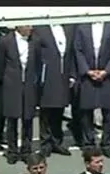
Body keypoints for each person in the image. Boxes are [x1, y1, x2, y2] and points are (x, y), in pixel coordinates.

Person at [74, 22, 110, 158]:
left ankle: (106, 143)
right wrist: (87, 71)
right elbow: (78, 50)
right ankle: (89, 143)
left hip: (106, 75)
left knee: (107, 111)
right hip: (88, 74)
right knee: (86, 111)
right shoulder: (81, 27)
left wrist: (107, 71)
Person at [1, 26, 41, 164]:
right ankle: (12, 151)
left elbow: (39, 62)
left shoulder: (35, 41)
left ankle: (26, 150)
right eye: (27, 25)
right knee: (12, 119)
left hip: (29, 84)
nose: (30, 28)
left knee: (28, 119)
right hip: (12, 84)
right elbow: (0, 63)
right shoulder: (6, 41)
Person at [34, 24, 76, 157]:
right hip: (47, 74)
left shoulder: (69, 28)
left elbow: (72, 53)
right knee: (46, 110)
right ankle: (46, 143)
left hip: (63, 74)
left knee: (59, 108)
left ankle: (57, 141)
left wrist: (72, 74)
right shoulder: (40, 29)